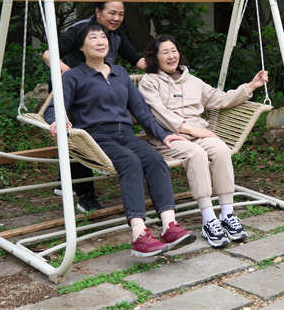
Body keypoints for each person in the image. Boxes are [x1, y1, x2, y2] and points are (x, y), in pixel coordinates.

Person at [43, 22, 195, 257]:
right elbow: (53, 108)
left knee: (155, 160)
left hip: (125, 134)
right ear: (81, 47)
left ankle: (169, 226)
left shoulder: (120, 73)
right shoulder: (73, 76)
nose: (100, 42)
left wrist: (163, 135)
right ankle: (139, 234)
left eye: (103, 37)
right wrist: (57, 121)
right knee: (130, 162)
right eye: (93, 38)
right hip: (95, 137)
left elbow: (141, 111)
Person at [138, 34, 269, 248]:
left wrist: (251, 86)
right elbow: (159, 114)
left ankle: (227, 213)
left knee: (221, 150)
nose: (171, 56)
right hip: (169, 138)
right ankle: (208, 218)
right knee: (196, 154)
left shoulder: (193, 81)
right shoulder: (149, 82)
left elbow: (221, 99)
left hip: (199, 134)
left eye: (174, 51)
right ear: (155, 57)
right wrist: (191, 130)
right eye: (165, 52)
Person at [42, 1, 146, 212]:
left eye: (120, 14)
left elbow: (137, 60)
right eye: (112, 13)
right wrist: (71, 74)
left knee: (93, 134)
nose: (116, 18)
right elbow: (48, 54)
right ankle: (85, 195)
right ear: (98, 12)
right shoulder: (80, 30)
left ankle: (66, 178)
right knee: (78, 136)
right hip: (72, 88)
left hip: (98, 87)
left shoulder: (115, 36)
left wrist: (166, 65)